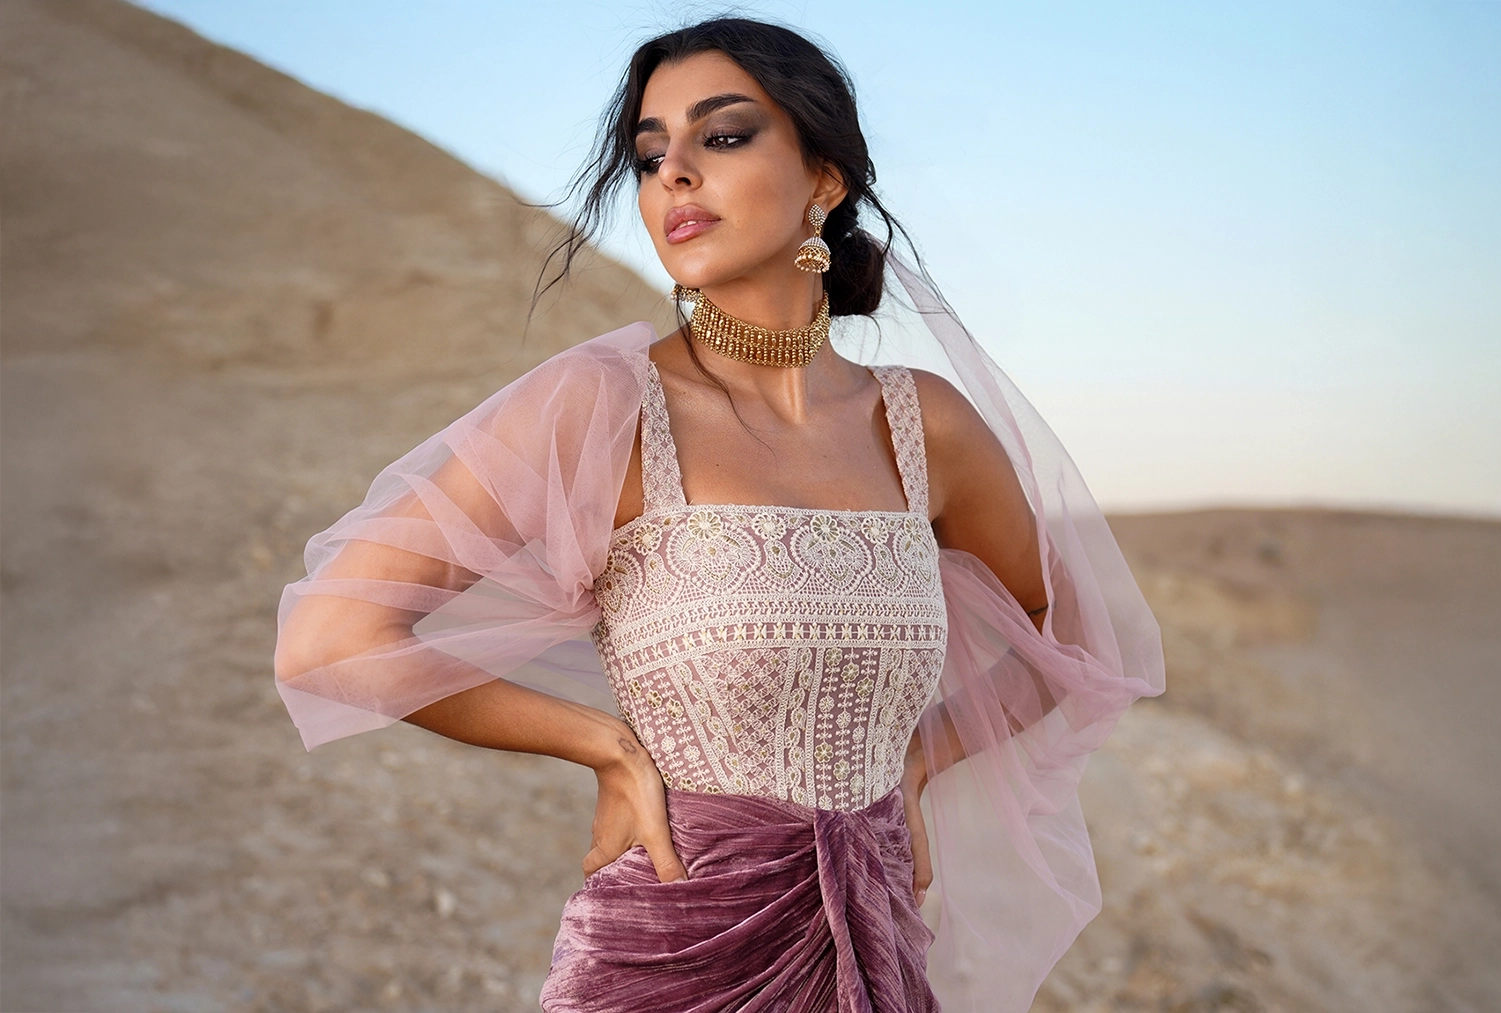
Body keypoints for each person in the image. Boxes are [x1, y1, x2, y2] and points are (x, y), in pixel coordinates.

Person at [272, 17, 1163, 1013]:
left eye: (723, 136)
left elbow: (1069, 631)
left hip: (872, 941)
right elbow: (329, 639)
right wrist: (599, 743)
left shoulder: (925, 425)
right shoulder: (603, 405)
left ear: (824, 176)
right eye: (651, 155)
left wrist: (917, 760)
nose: (675, 176)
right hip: (668, 951)